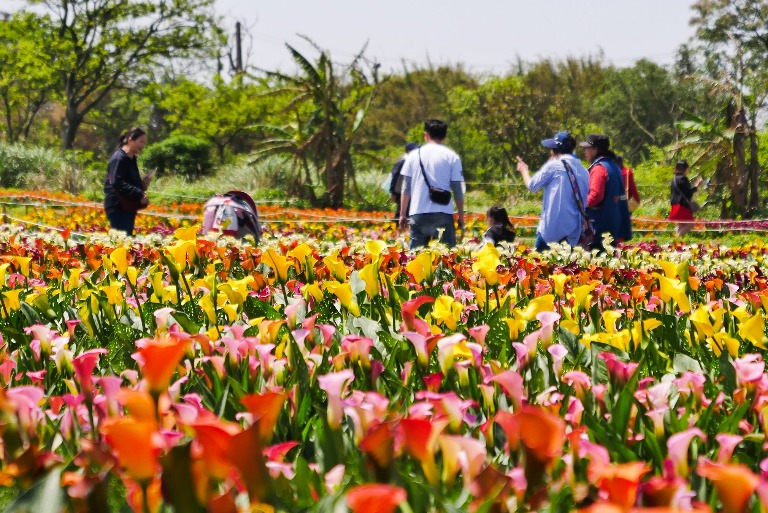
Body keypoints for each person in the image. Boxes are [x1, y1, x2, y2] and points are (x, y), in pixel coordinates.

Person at [515, 131, 589, 251]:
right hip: (573, 233)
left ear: (555, 150)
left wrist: (524, 170)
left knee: (538, 266)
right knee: (566, 268)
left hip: (551, 231)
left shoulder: (554, 165)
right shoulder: (584, 171)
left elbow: (532, 185)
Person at [398, 119, 465, 249]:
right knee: (445, 257)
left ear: (426, 134)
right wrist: (461, 215)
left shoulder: (413, 155)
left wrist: (402, 214)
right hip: (443, 213)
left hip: (418, 212)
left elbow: (406, 187)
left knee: (416, 258)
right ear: (445, 136)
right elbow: (457, 189)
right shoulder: (452, 156)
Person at [580, 134, 632, 251]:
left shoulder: (599, 168)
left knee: (594, 264)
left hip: (599, 226)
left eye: (587, 148)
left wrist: (579, 205)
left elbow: (596, 196)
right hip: (613, 224)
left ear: (595, 150)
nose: (585, 152)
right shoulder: (614, 166)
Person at [104, 127, 152, 235]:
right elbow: (117, 183)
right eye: (141, 142)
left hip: (128, 207)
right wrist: (140, 194)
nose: (143, 146)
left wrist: (143, 185)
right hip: (118, 207)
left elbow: (129, 183)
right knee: (121, 242)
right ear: (130, 140)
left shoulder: (131, 159)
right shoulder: (119, 158)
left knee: (127, 242)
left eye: (144, 143)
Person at [669, 159, 702, 237]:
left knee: (681, 225)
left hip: (674, 204)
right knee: (690, 224)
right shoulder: (683, 179)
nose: (688, 170)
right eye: (687, 169)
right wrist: (696, 185)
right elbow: (688, 194)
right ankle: (677, 239)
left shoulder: (674, 179)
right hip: (682, 205)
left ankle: (676, 242)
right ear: (684, 169)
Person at [389, 142, 419, 222]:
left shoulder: (414, 162)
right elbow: (394, 178)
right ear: (408, 151)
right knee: (401, 211)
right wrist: (393, 193)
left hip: (411, 192)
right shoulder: (402, 162)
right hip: (401, 192)